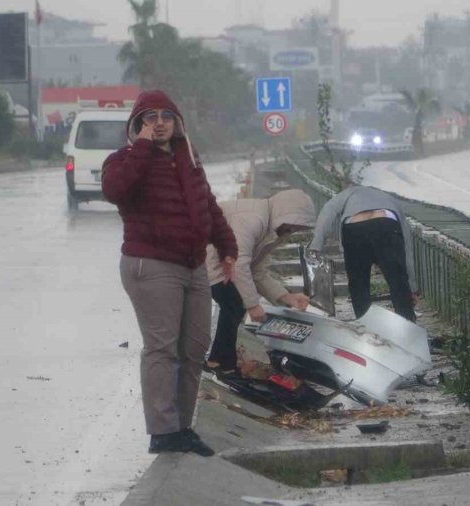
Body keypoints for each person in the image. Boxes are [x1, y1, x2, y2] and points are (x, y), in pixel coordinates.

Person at [101, 90, 238, 456]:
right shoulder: (125, 158)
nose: (159, 122)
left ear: (177, 122)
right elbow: (114, 190)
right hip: (151, 265)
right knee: (162, 349)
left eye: (166, 115)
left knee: (194, 349)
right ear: (137, 124)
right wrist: (142, 148)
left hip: (192, 265)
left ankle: (181, 427)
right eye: (150, 117)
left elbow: (206, 203)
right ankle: (163, 432)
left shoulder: (188, 159)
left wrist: (227, 247)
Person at [204, 189, 316, 375]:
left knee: (234, 304)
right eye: (291, 226)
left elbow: (257, 271)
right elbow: (239, 264)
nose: (291, 231)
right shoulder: (253, 219)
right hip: (204, 257)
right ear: (283, 214)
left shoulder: (270, 230)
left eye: (296, 229)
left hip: (220, 261)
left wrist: (286, 296)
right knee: (234, 304)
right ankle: (220, 362)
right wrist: (253, 305)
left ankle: (222, 360)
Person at [309, 185, 418, 321]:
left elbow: (328, 212)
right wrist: (412, 289)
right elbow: (407, 244)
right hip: (386, 224)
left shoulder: (347, 193)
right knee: (397, 279)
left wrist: (316, 245)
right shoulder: (389, 198)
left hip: (355, 229)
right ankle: (407, 323)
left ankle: (364, 324)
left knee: (358, 283)